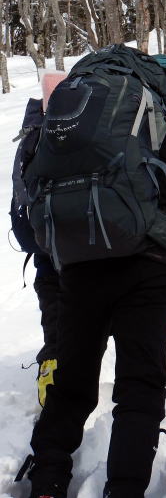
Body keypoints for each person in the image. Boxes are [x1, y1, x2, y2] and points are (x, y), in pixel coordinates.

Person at [18, 61, 166, 498]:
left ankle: (48, 480)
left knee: (71, 386)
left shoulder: (75, 138)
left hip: (80, 272)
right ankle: (124, 489)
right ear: (164, 104)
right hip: (148, 274)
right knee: (139, 388)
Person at [10, 96, 59, 407]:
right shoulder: (88, 119)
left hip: (42, 237)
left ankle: (51, 369)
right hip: (84, 235)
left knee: (52, 302)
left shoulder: (34, 130)